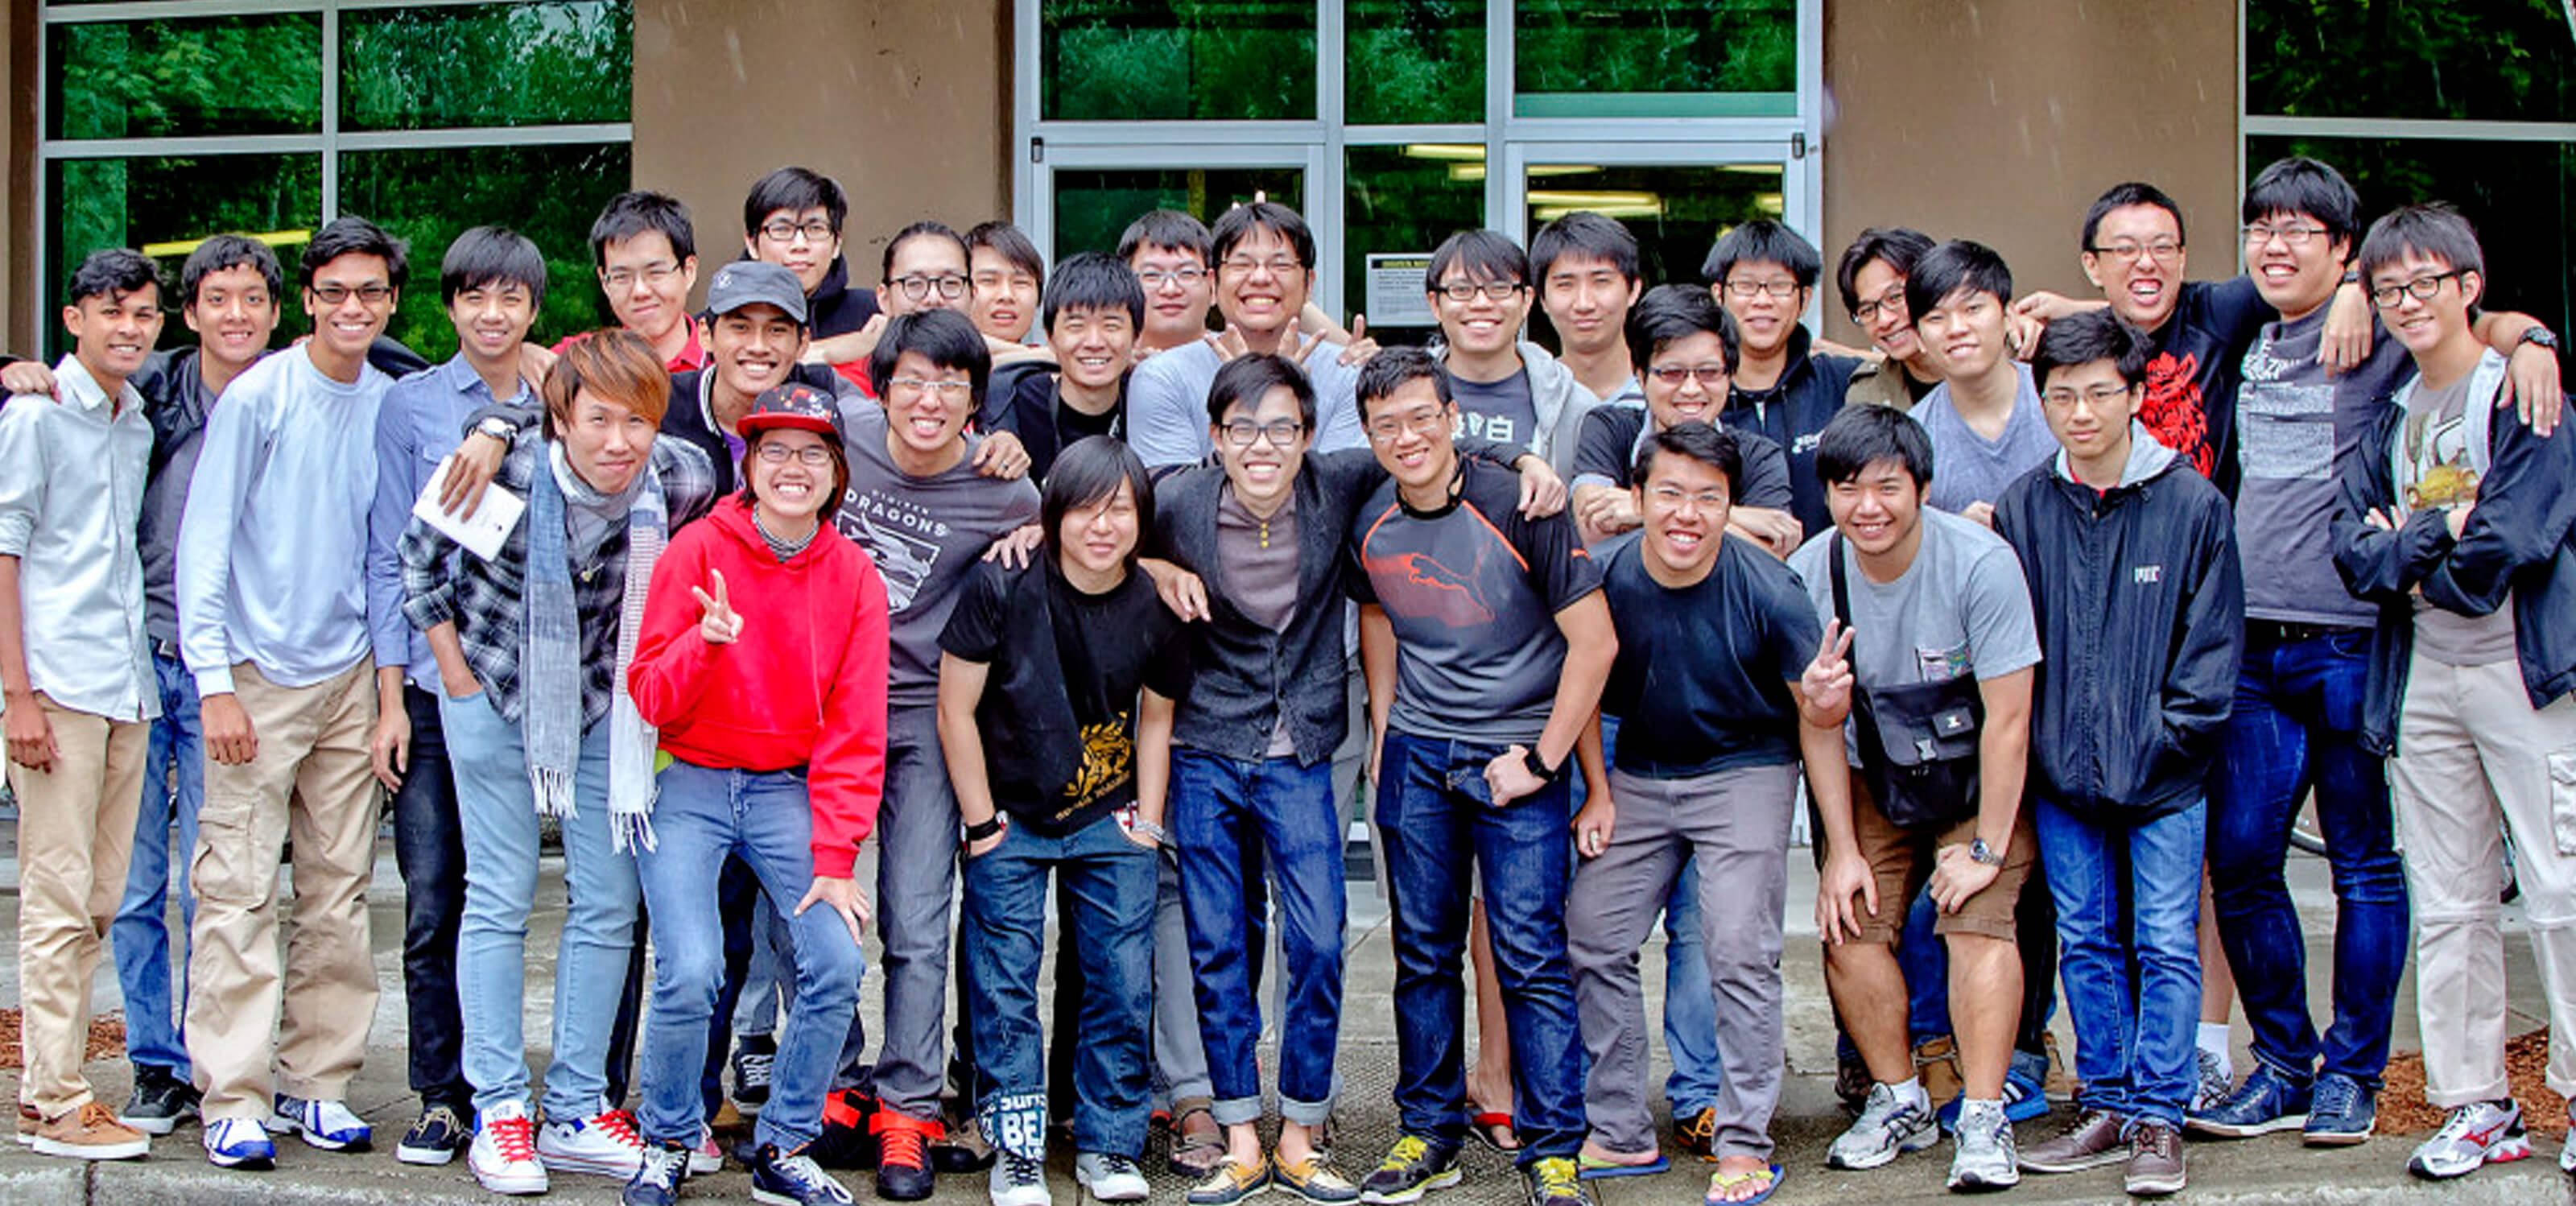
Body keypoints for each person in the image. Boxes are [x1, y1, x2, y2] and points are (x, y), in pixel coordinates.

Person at [400, 330, 720, 1194]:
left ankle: (578, 1105)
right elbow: (420, 566)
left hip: (608, 714)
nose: (619, 441)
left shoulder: (680, 480)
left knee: (609, 902)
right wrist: (458, 684)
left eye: (638, 420)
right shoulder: (503, 473)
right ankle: (500, 1108)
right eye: (599, 419)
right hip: (497, 695)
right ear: (560, 419)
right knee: (498, 897)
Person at [2330, 204, 2576, 1182]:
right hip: (2421, 677)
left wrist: (2410, 552)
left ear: (2469, 287)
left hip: (2523, 671)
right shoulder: (2388, 414)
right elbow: (2352, 550)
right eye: (2387, 289)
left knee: (2560, 891)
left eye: (2423, 284)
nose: (2403, 305)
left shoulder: (2517, 392)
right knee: (2449, 900)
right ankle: (2475, 1103)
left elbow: (2511, 545)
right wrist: (2425, 546)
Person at [1349, 348, 1612, 1206]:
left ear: (1453, 416)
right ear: (1368, 434)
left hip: (1515, 760)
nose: (1406, 436)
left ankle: (1552, 1148)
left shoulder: (1521, 502)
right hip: (1419, 757)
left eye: (1422, 417)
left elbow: (1595, 643)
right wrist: (1387, 729)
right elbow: (1378, 613)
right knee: (1420, 955)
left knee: (1530, 955)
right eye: (1386, 424)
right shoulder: (1369, 513)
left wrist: (1540, 759)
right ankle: (1428, 1129)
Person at [175, 216, 409, 1170]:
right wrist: (214, 682)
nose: (352, 307)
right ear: (307, 300)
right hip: (256, 675)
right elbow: (203, 541)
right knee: (233, 887)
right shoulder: (261, 397)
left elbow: (391, 555)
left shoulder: (391, 403)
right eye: (334, 292)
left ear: (392, 300)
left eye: (370, 292)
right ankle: (232, 1094)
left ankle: (318, 1081)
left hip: (350, 676)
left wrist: (387, 694)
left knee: (338, 889)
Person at [619, 381, 889, 1206]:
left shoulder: (853, 579)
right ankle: (667, 1136)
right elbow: (650, 697)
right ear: (748, 461)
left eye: (813, 451)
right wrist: (703, 645)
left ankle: (782, 1144)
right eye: (775, 449)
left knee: (835, 961)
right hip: (692, 780)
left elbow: (854, 732)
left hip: (783, 789)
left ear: (837, 470)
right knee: (692, 968)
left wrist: (837, 858)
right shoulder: (697, 549)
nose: (793, 466)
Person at [2192, 155, 2415, 1147]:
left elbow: (2479, 329)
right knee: (2238, 860)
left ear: (2341, 249)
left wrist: (2530, 339)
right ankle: (2283, 1061)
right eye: (2259, 226)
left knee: (2362, 863)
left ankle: (2351, 1073)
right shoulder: (2249, 330)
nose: (2273, 244)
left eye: (2299, 230)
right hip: (2250, 650)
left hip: (2350, 642)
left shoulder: (2379, 339)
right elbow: (2143, 287)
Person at [1998, 310, 2244, 1199]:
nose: (2080, 411)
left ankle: (2158, 1116)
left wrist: (2169, 740)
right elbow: (2012, 643)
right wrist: (2045, 752)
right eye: (2060, 395)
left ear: (2135, 395)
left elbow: (2211, 649)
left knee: (2165, 941)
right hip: (2063, 772)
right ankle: (2102, 1099)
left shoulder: (2189, 503)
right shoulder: (2028, 503)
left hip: (2166, 775)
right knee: (2087, 940)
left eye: (2100, 392)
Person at [1567, 422, 1833, 1204]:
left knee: (1736, 948)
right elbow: (1580, 689)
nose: (1685, 514)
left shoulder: (1770, 589)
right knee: (1592, 934)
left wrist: (1838, 845)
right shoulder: (1606, 575)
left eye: (1707, 499)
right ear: (1638, 498)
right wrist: (1597, 791)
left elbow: (1816, 720)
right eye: (1669, 494)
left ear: (1729, 507)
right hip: (1639, 771)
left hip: (1745, 767)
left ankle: (1744, 1141)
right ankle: (1618, 1129)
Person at [1790, 404, 2037, 1192]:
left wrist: (1986, 848)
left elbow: (2009, 718)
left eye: (1887, 487)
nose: (1868, 506)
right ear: (1825, 493)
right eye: (1846, 487)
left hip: (1973, 777)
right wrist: (1839, 851)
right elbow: (1817, 724)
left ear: (1921, 487)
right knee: (1848, 922)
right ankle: (1899, 1098)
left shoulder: (1979, 563)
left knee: (1976, 922)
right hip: (1872, 774)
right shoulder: (1811, 573)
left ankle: (1983, 1112)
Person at [827, 308, 1044, 1198]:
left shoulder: (1006, 489)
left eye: (951, 383)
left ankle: (909, 1105)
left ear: (975, 403)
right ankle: (833, 1084)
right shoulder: (832, 436)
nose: (929, 398)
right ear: (879, 388)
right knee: (818, 914)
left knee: (916, 920)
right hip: (824, 707)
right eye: (911, 379)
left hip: (921, 714)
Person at [941, 437, 1191, 1206]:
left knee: (1119, 982)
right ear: (1052, 515)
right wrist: (982, 826)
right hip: (1010, 816)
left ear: (1142, 519)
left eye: (1120, 508)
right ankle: (1015, 1150)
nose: (1102, 524)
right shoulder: (1003, 581)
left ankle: (1109, 1144)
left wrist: (1147, 824)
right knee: (1004, 982)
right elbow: (956, 708)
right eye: (1084, 507)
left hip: (1109, 817)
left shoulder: (1158, 602)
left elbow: (1157, 720)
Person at [366, 225, 547, 1166]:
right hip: (440, 692)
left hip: (544, 692)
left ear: (532, 308)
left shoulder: (559, 394)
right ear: (449, 307)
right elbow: (386, 551)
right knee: (437, 893)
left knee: (560, 893)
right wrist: (395, 697)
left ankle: (543, 1095)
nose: (492, 313)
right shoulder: (411, 404)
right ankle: (445, 1092)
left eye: (510, 298)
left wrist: (505, 422)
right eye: (475, 296)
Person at [0, 247, 164, 1161]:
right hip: (55, 689)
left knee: (102, 896)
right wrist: (16, 695)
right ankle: (53, 1097)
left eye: (142, 314)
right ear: (73, 321)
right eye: (111, 313)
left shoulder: (135, 418)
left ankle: (53, 1088)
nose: (129, 328)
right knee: (59, 897)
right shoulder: (33, 415)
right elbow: (4, 551)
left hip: (125, 685)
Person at [1128, 201, 1368, 469]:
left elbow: (1341, 491)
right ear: (1214, 283)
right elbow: (1175, 498)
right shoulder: (1163, 377)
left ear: (1308, 284)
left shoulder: (1349, 376)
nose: (1261, 277)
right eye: (1242, 264)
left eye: (1281, 264)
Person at [1570, 286, 1796, 552]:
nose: (1691, 389)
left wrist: (1643, 510)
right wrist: (1735, 517)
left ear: (1730, 376)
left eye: (1708, 372)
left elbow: (1768, 556)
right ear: (1641, 376)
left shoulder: (1759, 456)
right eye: (1672, 372)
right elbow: (1592, 526)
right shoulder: (1609, 428)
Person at [1703, 220, 1864, 539]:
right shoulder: (1697, 393)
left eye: (1779, 286)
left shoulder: (1844, 382)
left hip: (1827, 581)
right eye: (1746, 285)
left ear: (1804, 299)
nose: (1762, 300)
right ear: (1719, 295)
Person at [1422, 228, 1600, 476]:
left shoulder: (1575, 406)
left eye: (1499, 288)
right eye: (1462, 290)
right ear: (1435, 304)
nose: (1481, 303)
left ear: (1527, 300)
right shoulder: (1399, 394)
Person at [1905, 241, 2054, 523]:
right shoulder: (1913, 437)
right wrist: (1956, 535)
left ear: (2008, 316)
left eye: (1973, 309)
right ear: (1919, 338)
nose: (1957, 329)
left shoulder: (2062, 399)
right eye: (1936, 318)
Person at [987, 252, 1140, 480]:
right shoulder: (1012, 404)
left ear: (1136, 336)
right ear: (1050, 337)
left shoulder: (1149, 401)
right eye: (1076, 326)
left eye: (1111, 326)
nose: (1094, 343)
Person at [741, 166, 878, 341]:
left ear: (837, 244)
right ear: (752, 244)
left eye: (815, 229)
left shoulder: (872, 316)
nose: (800, 245)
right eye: (782, 229)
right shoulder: (720, 321)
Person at [1530, 212, 1646, 407]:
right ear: (1542, 298)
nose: (1584, 304)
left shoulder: (1665, 396)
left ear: (1633, 290)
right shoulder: (1528, 397)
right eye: (1565, 285)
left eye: (1601, 282)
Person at [584, 191, 706, 371]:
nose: (640, 291)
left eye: (655, 272)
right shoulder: (586, 363)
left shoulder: (725, 365)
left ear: (688, 271)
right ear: (604, 281)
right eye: (622, 277)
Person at [1835, 227, 1942, 411]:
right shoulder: (1867, 395)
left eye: (1895, 297)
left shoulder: (1999, 368)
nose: (1884, 320)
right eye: (1868, 310)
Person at [1119, 210, 1217, 356]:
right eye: (1152, 275)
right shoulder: (1103, 367)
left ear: (1213, 286)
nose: (1170, 289)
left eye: (1187, 274)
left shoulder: (1239, 359)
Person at [968, 221, 1046, 346]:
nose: (1006, 295)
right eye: (988, 280)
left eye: (1020, 282)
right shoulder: (933, 363)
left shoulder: (1058, 364)